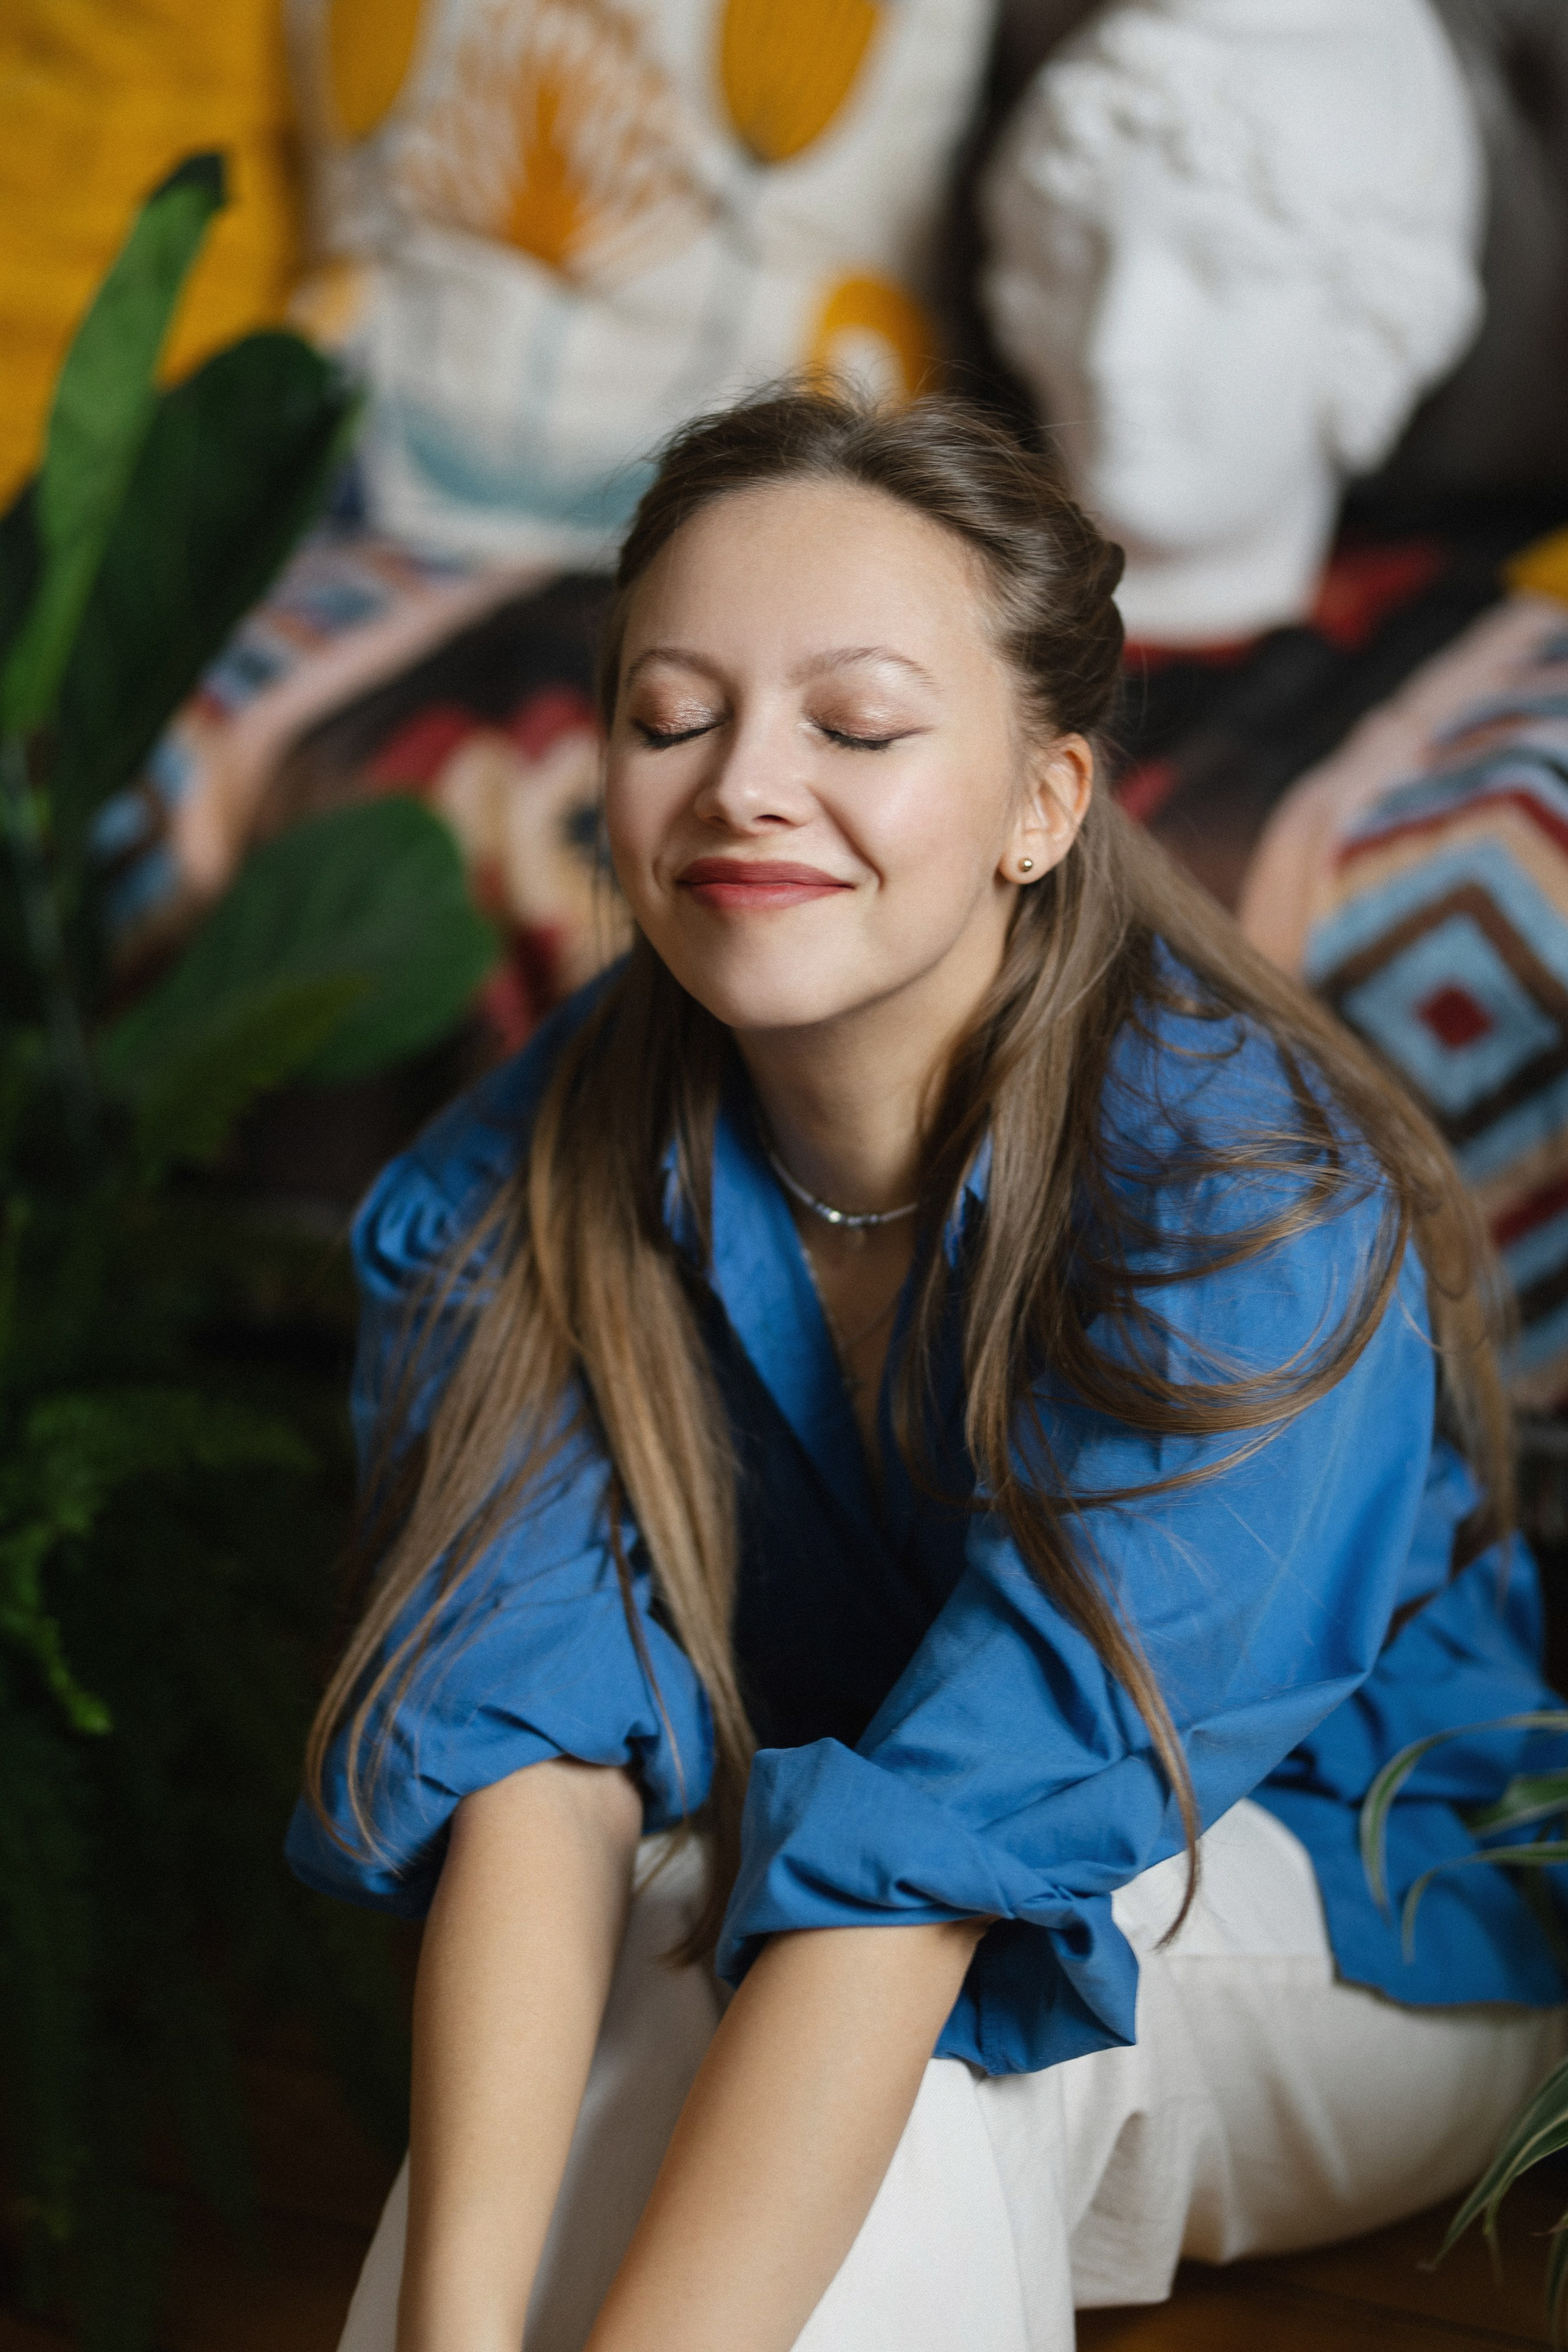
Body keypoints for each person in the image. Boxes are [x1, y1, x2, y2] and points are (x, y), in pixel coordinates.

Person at [287, 387, 1566, 2352]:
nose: (744, 787)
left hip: (1357, 1898)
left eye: (859, 728)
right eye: (670, 716)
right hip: (847, 1861)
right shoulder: (514, 1183)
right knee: (678, 1911)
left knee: (928, 2044)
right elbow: (534, 1775)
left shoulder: (1246, 1201)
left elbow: (947, 1870)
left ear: (1044, 803)